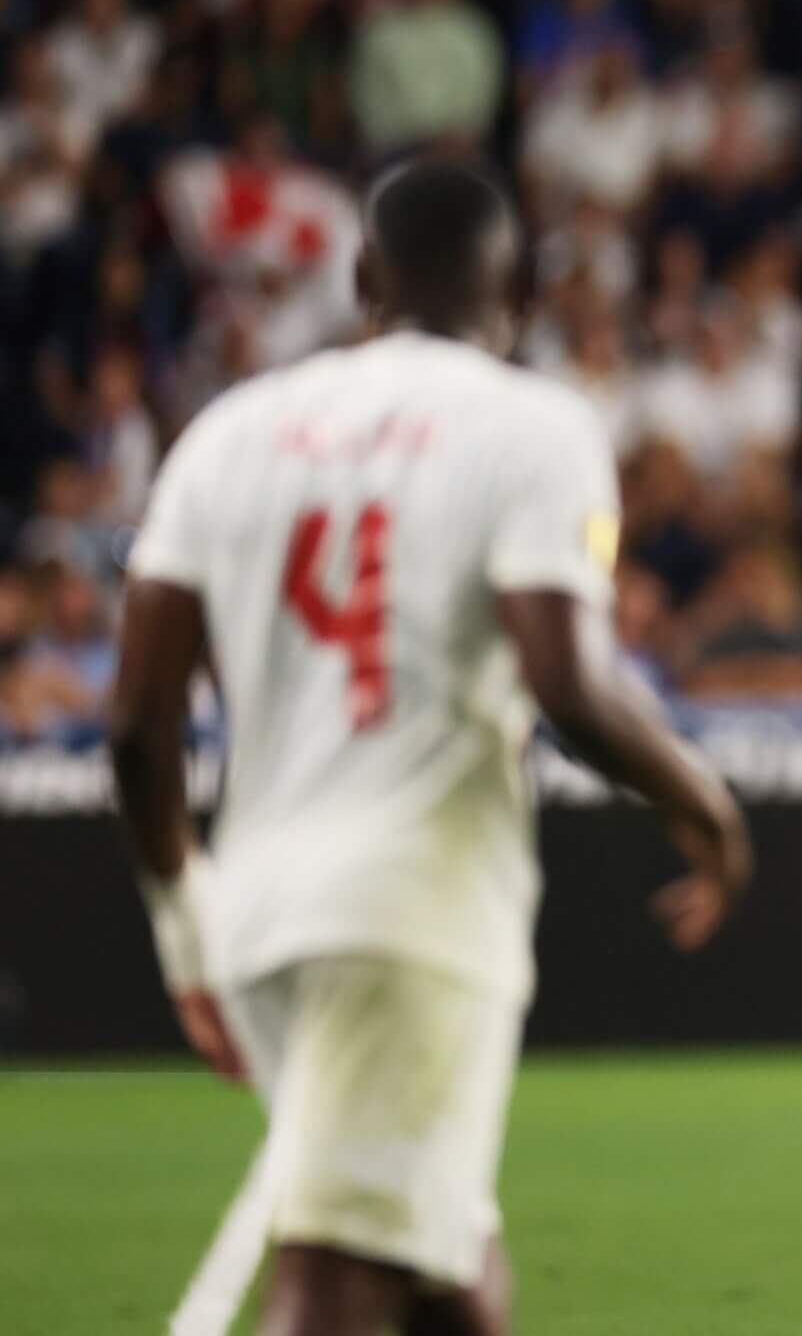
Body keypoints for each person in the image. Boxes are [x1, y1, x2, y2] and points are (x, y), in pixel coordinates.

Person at [106, 158, 754, 1336]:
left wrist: (182, 921)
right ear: (516, 298)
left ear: (361, 278)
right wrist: (703, 802)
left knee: (446, 1266)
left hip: (256, 906)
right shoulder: (535, 424)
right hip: (410, 906)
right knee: (335, 1288)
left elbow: (137, 724)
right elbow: (565, 679)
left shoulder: (229, 430)